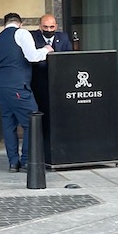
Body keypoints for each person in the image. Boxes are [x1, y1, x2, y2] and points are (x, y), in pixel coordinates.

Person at [0, 11, 49, 172]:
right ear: (20, 23)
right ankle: (26, 161)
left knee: (8, 125)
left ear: (4, 24)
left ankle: (12, 162)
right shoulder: (21, 33)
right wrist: (45, 49)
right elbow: (33, 57)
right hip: (17, 86)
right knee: (32, 121)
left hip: (0, 87)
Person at [30, 14, 74, 160]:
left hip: (59, 83)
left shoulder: (63, 37)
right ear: (39, 26)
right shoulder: (32, 37)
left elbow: (68, 58)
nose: (49, 30)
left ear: (56, 26)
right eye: (45, 27)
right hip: (38, 82)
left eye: (52, 27)